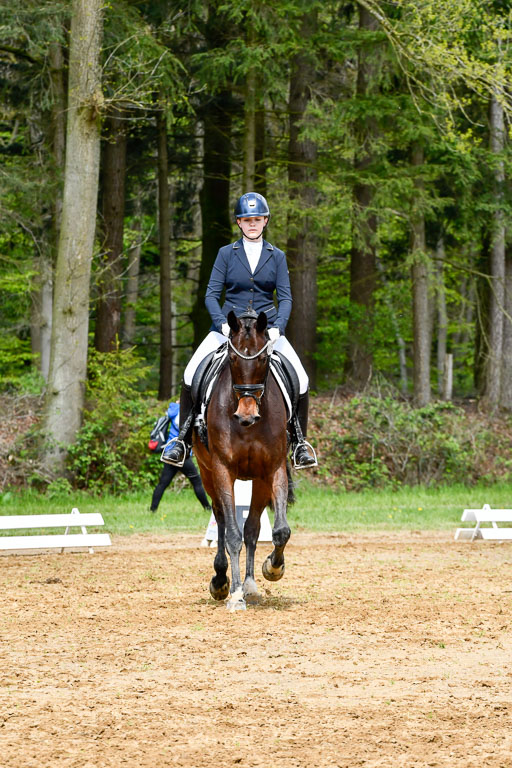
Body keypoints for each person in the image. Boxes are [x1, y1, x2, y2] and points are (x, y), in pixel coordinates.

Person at [161, 191, 317, 469]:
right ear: (239, 223)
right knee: (189, 372)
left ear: (265, 221)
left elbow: (286, 298)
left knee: (302, 379)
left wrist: (277, 328)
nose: (252, 224)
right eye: (247, 220)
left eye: (257, 219)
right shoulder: (225, 254)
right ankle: (181, 441)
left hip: (265, 330)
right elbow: (211, 294)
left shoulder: (277, 256)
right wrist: (222, 322)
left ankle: (300, 444)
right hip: (229, 328)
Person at [150, 401, 212, 513]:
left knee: (162, 483)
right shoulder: (190, 412)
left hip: (170, 452)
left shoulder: (174, 410)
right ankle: (207, 508)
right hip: (183, 454)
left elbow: (169, 412)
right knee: (196, 481)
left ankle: (152, 509)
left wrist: (177, 403)